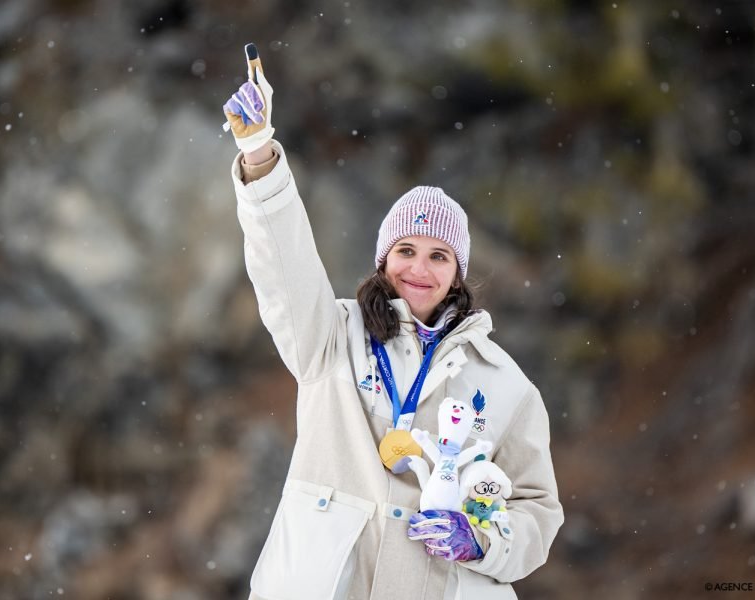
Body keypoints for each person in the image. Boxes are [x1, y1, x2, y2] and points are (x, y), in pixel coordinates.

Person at [222, 44, 563, 600]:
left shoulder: (508, 386)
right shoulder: (330, 337)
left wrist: (480, 542)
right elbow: (282, 263)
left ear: (458, 274)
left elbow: (537, 512)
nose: (419, 269)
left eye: (439, 256)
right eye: (406, 249)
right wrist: (260, 155)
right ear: (384, 259)